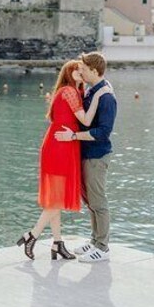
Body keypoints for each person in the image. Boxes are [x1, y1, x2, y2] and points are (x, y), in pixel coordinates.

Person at [17, 60, 112, 261]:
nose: (80, 71)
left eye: (82, 69)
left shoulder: (73, 91)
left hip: (62, 144)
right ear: (68, 72)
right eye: (76, 69)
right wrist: (100, 95)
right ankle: (32, 235)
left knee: (55, 198)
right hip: (61, 145)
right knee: (57, 199)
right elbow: (86, 121)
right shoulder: (69, 91)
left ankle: (57, 243)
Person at [55, 52, 118, 263]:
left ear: (94, 71)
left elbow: (103, 132)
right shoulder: (93, 90)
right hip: (85, 153)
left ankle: (103, 247)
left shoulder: (106, 96)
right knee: (90, 201)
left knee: (98, 201)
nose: (80, 70)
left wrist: (73, 136)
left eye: (83, 68)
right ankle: (94, 241)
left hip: (97, 155)